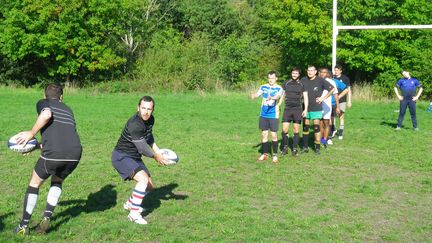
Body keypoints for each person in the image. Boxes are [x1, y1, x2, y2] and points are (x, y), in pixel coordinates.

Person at [14, 83, 82, 235]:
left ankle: (23, 226)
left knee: (34, 184)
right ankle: (46, 217)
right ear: (61, 97)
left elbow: (46, 115)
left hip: (55, 153)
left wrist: (31, 133)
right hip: (75, 154)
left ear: (44, 96)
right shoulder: (68, 109)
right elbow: (59, 138)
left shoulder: (43, 103)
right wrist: (36, 146)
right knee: (57, 181)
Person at [112, 96, 169, 225]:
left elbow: (148, 136)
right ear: (138, 108)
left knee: (149, 187)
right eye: (143, 108)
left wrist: (157, 149)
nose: (146, 112)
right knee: (143, 180)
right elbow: (142, 148)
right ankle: (133, 214)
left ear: (153, 110)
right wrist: (156, 156)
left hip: (134, 156)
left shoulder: (150, 120)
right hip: (121, 156)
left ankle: (129, 204)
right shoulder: (135, 124)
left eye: (149, 109)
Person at [300, 65, 335, 154]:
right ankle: (305, 147)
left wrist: (323, 98)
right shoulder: (303, 80)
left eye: (312, 70)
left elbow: (332, 89)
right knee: (305, 127)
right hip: (306, 107)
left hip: (316, 107)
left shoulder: (320, 80)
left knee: (316, 127)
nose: (310, 72)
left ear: (315, 72)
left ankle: (317, 147)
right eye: (308, 70)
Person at [251, 71, 283, 163]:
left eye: (272, 78)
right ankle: (264, 154)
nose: (271, 80)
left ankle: (275, 155)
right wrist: (253, 96)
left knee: (273, 135)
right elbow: (257, 94)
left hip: (273, 115)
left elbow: (278, 96)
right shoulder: (263, 86)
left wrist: (272, 98)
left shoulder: (279, 88)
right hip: (263, 114)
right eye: (269, 78)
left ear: (276, 78)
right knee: (264, 134)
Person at [280, 67, 308, 157]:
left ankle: (294, 149)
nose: (294, 75)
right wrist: (279, 104)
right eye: (293, 73)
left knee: (296, 130)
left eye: (296, 73)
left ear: (299, 74)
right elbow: (282, 95)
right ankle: (285, 147)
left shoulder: (302, 84)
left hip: (297, 109)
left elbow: (305, 97)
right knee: (284, 129)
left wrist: (306, 109)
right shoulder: (286, 83)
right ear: (291, 73)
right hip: (287, 109)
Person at [318, 68, 339, 147]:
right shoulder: (316, 81)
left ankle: (324, 140)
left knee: (326, 123)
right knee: (319, 123)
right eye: (321, 72)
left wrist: (338, 106)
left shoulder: (331, 82)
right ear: (319, 72)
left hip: (327, 106)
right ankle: (321, 139)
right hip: (318, 106)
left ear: (327, 74)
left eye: (325, 72)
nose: (323, 74)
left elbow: (335, 94)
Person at [333, 64, 352, 140]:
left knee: (341, 115)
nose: (336, 72)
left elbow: (348, 90)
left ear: (341, 71)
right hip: (334, 100)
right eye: (335, 70)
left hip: (342, 100)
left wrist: (349, 101)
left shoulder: (345, 78)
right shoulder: (332, 77)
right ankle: (333, 129)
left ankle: (340, 132)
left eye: (337, 70)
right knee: (333, 115)